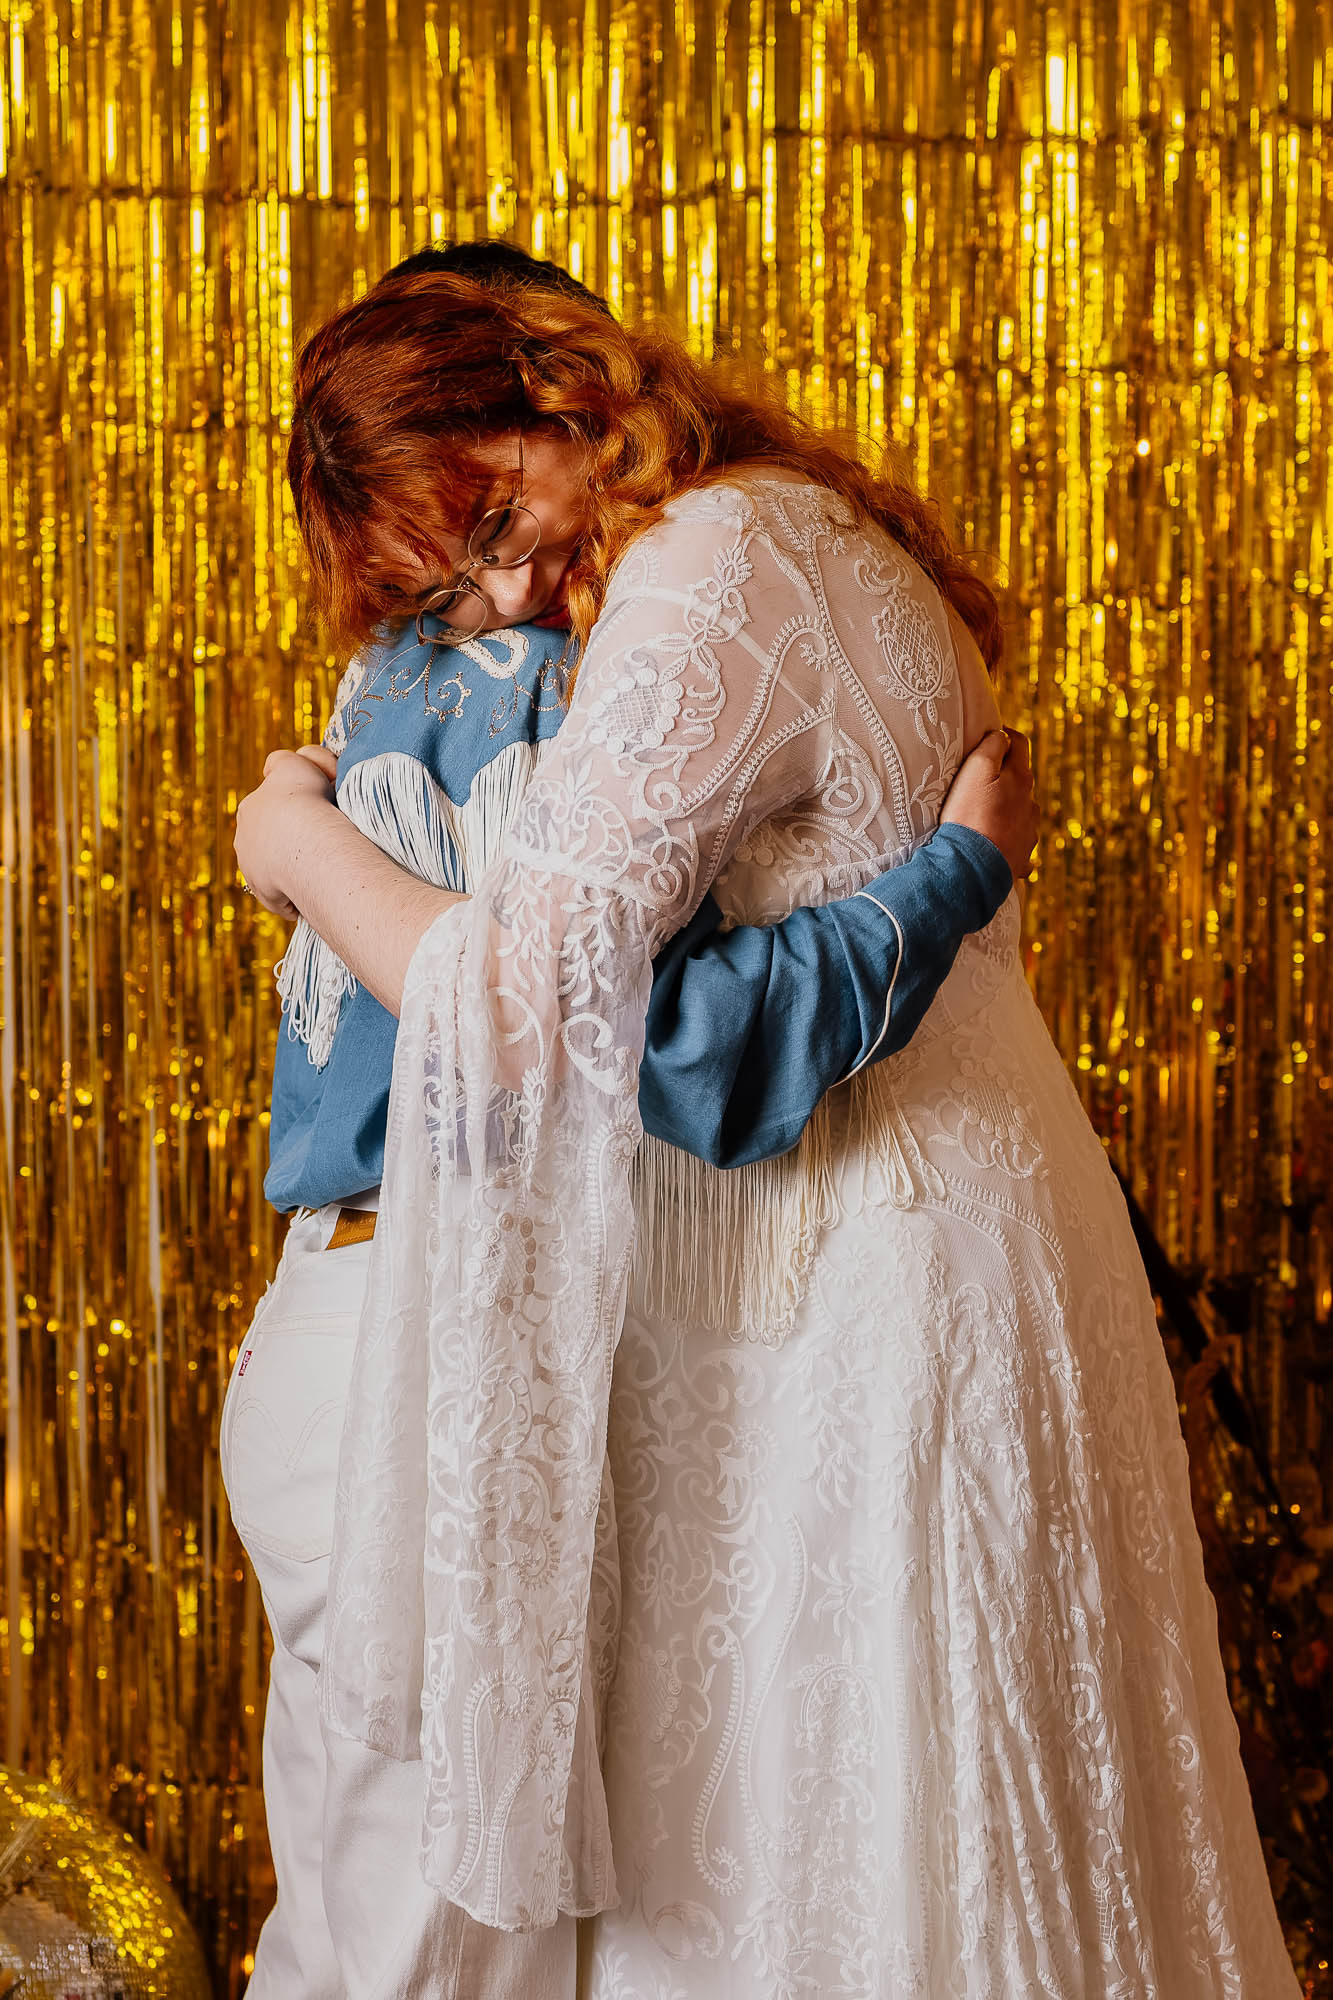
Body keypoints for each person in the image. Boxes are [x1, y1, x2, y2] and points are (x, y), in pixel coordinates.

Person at [235, 264, 1298, 1998]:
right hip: (716, 1271)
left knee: (534, 1917)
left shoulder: (701, 567)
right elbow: (625, 1027)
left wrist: (286, 838)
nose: (502, 592)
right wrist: (948, 881)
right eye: (449, 574)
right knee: (467, 1928)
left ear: (570, 389)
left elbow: (567, 1020)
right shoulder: (714, 567)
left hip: (801, 1281)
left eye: (497, 521)